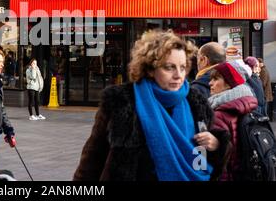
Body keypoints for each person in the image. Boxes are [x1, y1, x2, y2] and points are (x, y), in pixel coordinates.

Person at [73, 30, 229, 181]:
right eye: (169, 67)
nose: (179, 75)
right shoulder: (122, 102)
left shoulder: (196, 103)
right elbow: (93, 159)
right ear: (149, 68)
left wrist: (216, 145)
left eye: (182, 67)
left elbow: (210, 157)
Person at [208, 62, 257, 181]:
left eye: (216, 79)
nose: (210, 83)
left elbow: (222, 161)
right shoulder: (248, 104)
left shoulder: (219, 114)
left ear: (229, 83)